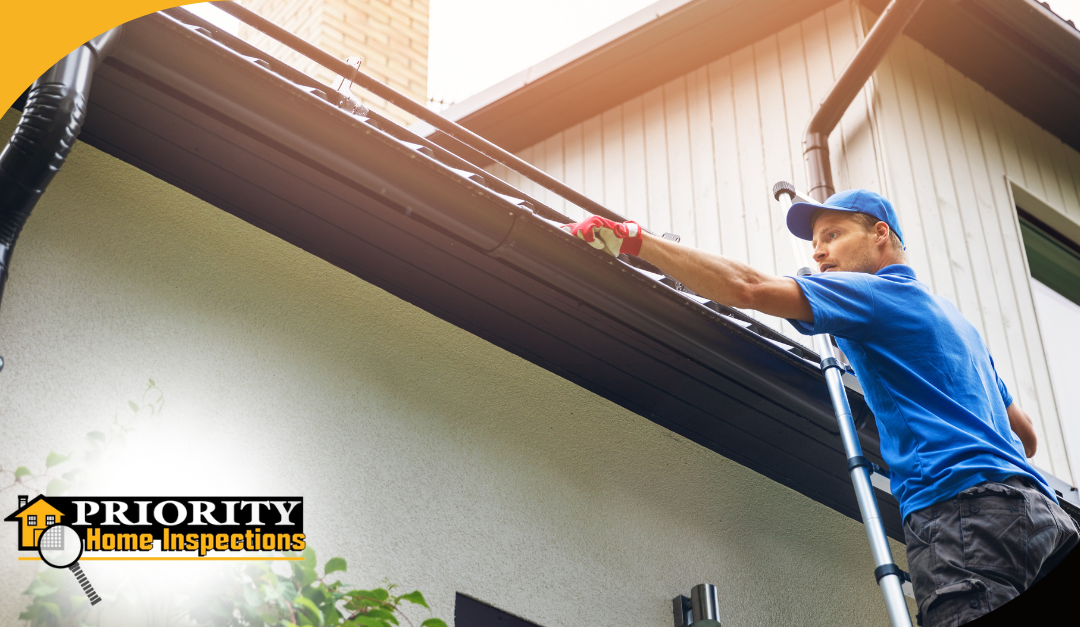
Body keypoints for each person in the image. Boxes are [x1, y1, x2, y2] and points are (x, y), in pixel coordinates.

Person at [561, 189, 1078, 626]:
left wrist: (636, 239)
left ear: (880, 233)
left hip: (962, 516)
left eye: (832, 236)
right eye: (815, 245)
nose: (819, 255)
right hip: (1039, 520)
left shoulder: (874, 295)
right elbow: (1026, 437)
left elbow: (749, 287)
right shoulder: (957, 323)